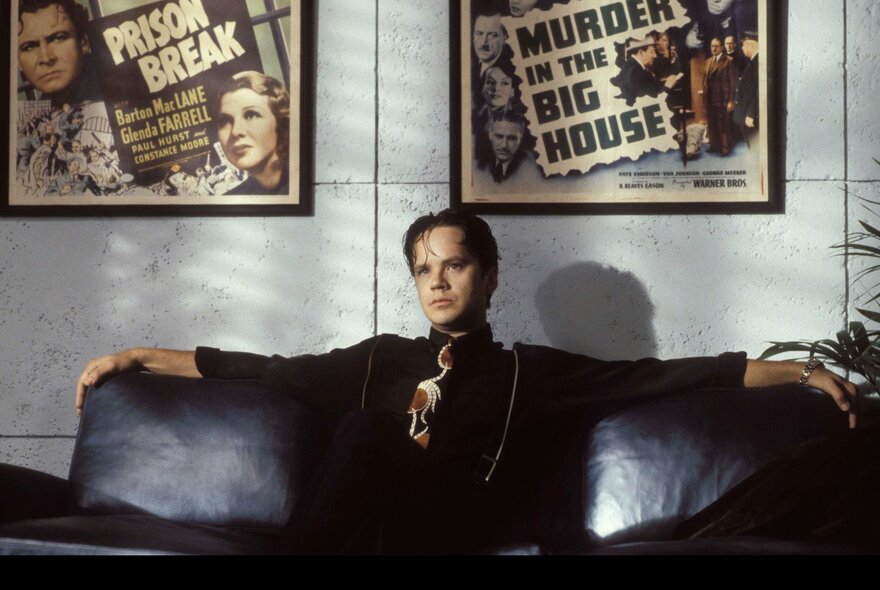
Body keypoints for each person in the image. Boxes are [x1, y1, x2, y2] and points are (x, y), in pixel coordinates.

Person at [75, 209, 861, 553]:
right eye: (424, 269)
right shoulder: (378, 359)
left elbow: (663, 376)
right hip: (373, 526)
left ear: (487, 277)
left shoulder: (528, 371)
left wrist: (799, 371)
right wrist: (140, 356)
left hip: (457, 523)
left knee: (368, 428)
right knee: (364, 429)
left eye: (454, 265)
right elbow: (262, 369)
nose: (438, 281)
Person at [214, 71, 290, 196]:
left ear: (280, 122)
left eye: (251, 115)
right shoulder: (230, 200)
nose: (235, 131)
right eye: (225, 121)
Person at [17, 0, 102, 107]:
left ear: (83, 42)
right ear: (18, 63)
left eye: (59, 38)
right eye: (29, 47)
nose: (46, 58)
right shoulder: (40, 113)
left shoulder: (115, 87)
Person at [613, 36, 679, 106]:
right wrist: (667, 86)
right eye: (652, 52)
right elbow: (648, 101)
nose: (655, 56)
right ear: (641, 52)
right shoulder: (636, 72)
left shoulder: (631, 66)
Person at [700, 37, 737, 156]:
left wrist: (731, 100)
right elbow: (705, 81)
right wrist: (704, 94)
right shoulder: (708, 61)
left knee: (723, 124)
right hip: (710, 99)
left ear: (721, 48)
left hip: (723, 99)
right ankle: (714, 145)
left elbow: (733, 83)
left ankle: (725, 147)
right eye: (712, 46)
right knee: (712, 123)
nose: (714, 48)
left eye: (716, 46)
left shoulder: (729, 61)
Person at [733, 30, 759, 147]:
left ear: (751, 45)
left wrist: (751, 114)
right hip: (746, 113)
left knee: (754, 146)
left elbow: (760, 91)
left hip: (751, 115)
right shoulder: (753, 61)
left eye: (743, 45)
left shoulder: (758, 62)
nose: (742, 48)